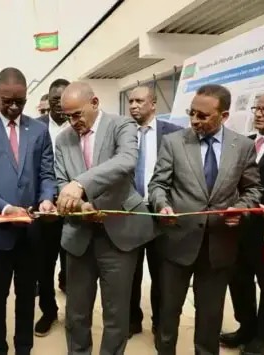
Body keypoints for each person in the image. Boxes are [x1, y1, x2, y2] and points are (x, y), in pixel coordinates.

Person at [148, 84, 263, 355]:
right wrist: (162, 205)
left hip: (220, 247)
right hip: (178, 242)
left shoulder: (243, 146)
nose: (195, 121)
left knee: (210, 319)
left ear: (223, 116)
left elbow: (253, 189)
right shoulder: (175, 142)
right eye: (192, 113)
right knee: (168, 316)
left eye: (203, 116)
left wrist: (240, 210)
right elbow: (157, 185)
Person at [54, 81, 155, 354]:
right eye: (67, 116)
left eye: (77, 114)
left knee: (116, 315)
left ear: (95, 103)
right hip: (79, 235)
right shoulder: (63, 139)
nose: (73, 122)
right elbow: (61, 183)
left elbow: (126, 161)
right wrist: (79, 207)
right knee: (76, 314)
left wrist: (81, 184)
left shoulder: (121, 125)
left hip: (119, 235)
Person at [0, 67, 57, 355]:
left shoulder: (39, 130)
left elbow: (47, 174)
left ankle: (23, 348)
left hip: (31, 230)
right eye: (7, 101)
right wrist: (5, 208)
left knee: (27, 295)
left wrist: (45, 199)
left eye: (20, 101)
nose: (14, 107)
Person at [127, 86, 182, 340]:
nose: (134, 105)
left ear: (153, 105)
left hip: (161, 212)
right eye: (130, 101)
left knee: (162, 274)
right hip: (130, 212)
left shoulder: (174, 134)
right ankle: (131, 321)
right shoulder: (122, 133)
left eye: (139, 101)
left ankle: (160, 325)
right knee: (130, 272)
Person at [220, 94, 264, 355]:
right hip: (241, 227)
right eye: (256, 108)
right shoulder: (246, 143)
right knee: (239, 280)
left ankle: (262, 336)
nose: (258, 114)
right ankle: (246, 327)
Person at [34, 78, 70, 337]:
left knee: (75, 264)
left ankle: (75, 312)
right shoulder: (35, 128)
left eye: (63, 99)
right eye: (54, 100)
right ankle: (48, 311)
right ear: (48, 100)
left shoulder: (80, 126)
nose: (59, 105)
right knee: (43, 265)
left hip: (75, 208)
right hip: (46, 209)